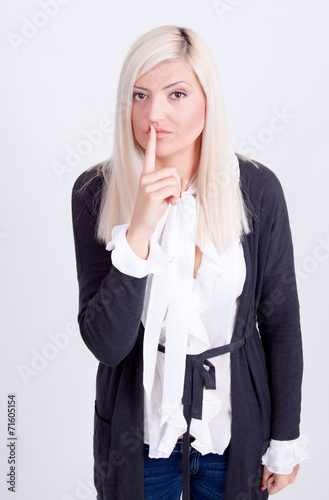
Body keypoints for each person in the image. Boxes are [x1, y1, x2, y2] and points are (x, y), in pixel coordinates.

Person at [71, 25, 308, 500]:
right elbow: (107, 345)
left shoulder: (257, 189)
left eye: (176, 94)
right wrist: (138, 232)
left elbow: (280, 322)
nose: (154, 113)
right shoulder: (94, 191)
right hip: (137, 441)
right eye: (140, 95)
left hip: (232, 434)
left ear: (207, 100)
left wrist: (285, 440)